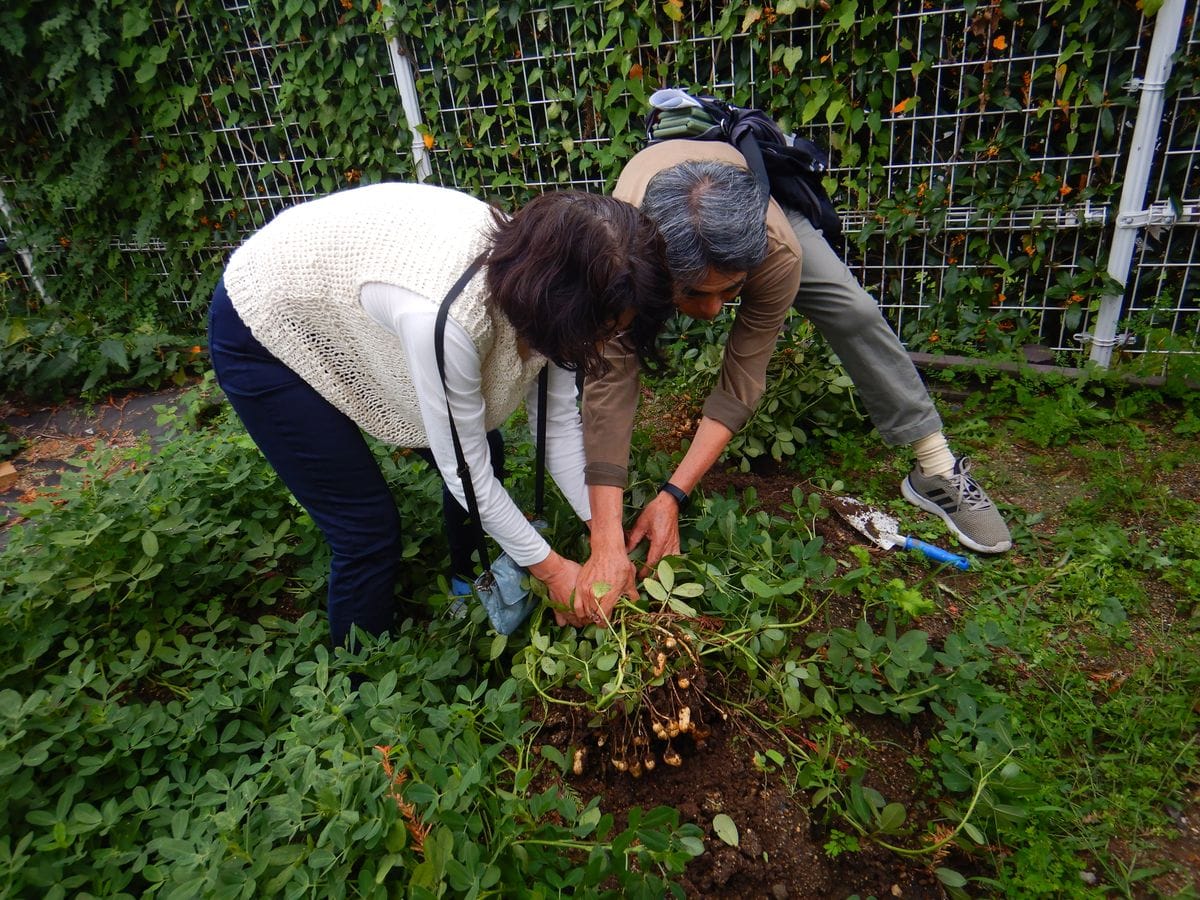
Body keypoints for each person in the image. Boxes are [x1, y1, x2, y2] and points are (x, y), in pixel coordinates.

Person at [208, 182, 675, 645]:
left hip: (358, 297)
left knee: (482, 443)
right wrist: (554, 573)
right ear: (563, 308)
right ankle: (355, 680)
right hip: (267, 323)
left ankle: (467, 580)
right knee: (366, 530)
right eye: (601, 330)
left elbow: (554, 428)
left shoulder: (550, 278)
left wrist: (605, 536)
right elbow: (466, 474)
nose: (599, 346)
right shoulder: (449, 319)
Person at [575, 141, 1012, 622]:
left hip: (745, 209)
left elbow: (742, 379)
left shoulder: (775, 249)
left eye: (732, 290)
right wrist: (606, 540)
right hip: (652, 224)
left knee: (855, 310)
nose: (712, 312)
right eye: (693, 293)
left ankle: (936, 466)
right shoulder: (626, 255)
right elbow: (609, 383)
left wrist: (673, 494)